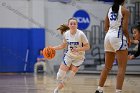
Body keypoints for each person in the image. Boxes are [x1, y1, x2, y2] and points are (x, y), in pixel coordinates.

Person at [95, 0, 131, 93]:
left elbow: (105, 27)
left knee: (107, 66)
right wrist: (129, 39)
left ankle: (99, 89)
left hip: (108, 37)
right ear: (123, 1)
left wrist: (111, 36)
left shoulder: (109, 9)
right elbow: (125, 28)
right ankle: (118, 91)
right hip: (117, 36)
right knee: (121, 67)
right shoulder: (125, 11)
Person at [52, 18, 90, 93]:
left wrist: (78, 49)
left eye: (74, 24)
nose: (73, 25)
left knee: (68, 77)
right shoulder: (66, 34)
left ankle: (57, 90)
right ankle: (59, 88)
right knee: (59, 76)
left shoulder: (81, 34)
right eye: (71, 24)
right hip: (69, 56)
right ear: (69, 25)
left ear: (77, 25)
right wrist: (52, 48)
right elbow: (62, 46)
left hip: (79, 58)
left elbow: (88, 47)